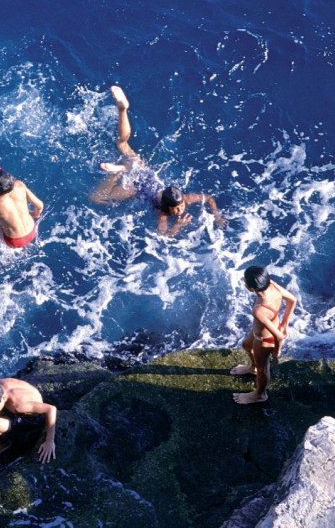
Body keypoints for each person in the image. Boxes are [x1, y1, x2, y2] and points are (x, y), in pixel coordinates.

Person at [89, 85, 226, 237]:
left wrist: (217, 216)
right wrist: (177, 226)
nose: (180, 210)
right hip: (137, 188)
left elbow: (208, 198)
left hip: (143, 171)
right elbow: (163, 235)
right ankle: (119, 171)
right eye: (177, 209)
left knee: (121, 144)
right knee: (96, 198)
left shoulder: (185, 199)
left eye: (180, 206)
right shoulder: (163, 213)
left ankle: (122, 110)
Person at [230, 266, 298, 404]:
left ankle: (260, 394)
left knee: (263, 369)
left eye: (245, 280)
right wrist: (284, 322)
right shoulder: (272, 285)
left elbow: (279, 336)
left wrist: (276, 351)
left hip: (265, 339)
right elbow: (292, 300)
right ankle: (252, 368)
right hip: (264, 330)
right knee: (246, 345)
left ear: (250, 288)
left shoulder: (259, 310)